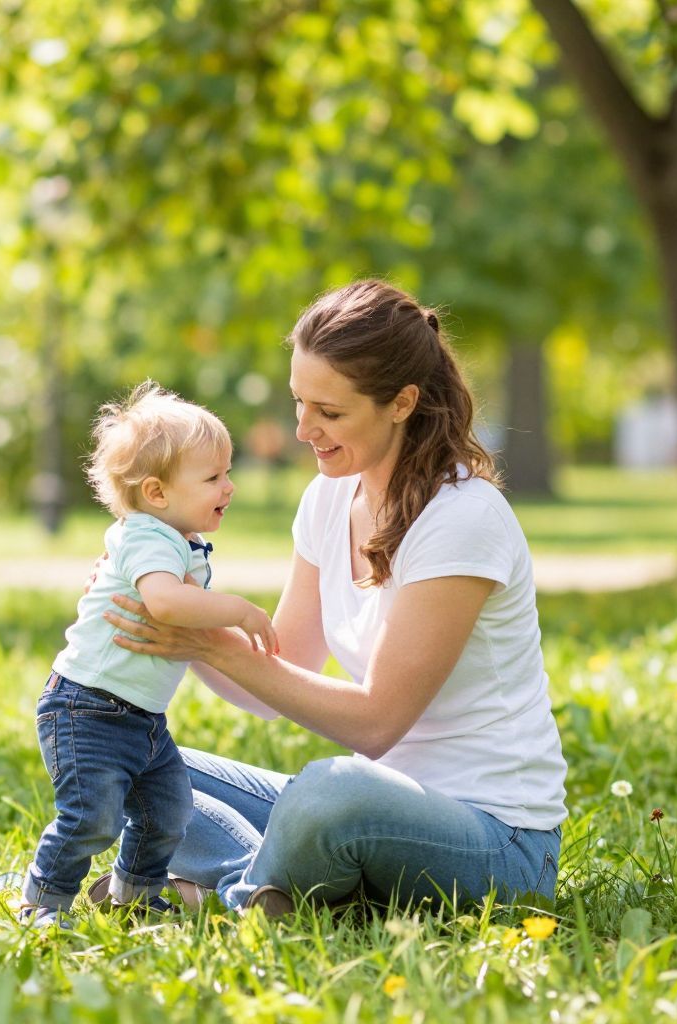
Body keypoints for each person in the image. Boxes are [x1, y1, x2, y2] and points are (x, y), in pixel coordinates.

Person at [102, 281, 567, 915]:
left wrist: (205, 640)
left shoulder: (462, 517)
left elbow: (376, 724)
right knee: (130, 761)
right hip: (375, 814)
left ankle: (224, 896)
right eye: (299, 402)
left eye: (330, 412)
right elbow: (279, 663)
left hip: (497, 842)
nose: (303, 429)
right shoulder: (328, 498)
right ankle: (284, 884)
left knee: (331, 791)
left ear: (401, 403)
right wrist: (169, 613)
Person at [21, 382, 279, 925]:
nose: (228, 486)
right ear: (157, 493)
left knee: (167, 813)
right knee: (91, 817)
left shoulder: (180, 541)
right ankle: (42, 903)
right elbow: (163, 602)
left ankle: (135, 894)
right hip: (86, 708)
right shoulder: (145, 534)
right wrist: (237, 609)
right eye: (213, 477)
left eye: (227, 472)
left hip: (141, 717)